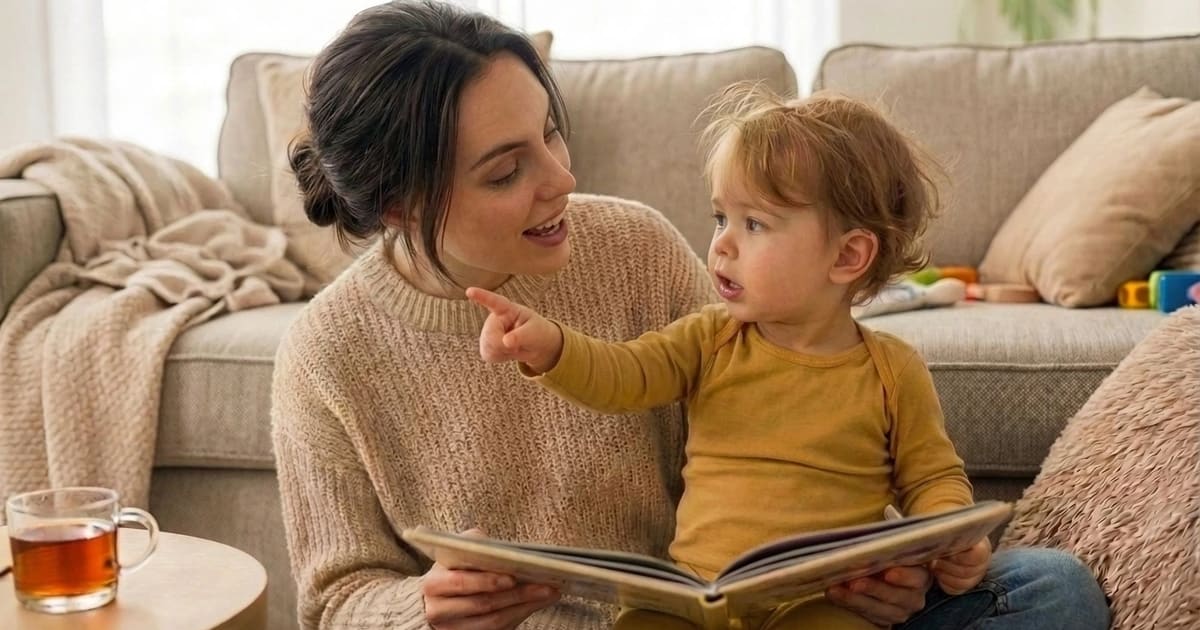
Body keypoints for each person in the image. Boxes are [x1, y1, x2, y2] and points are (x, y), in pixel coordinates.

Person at [271, 1, 1011, 628]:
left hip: (746, 607)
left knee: (1045, 585)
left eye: (551, 134)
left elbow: (785, 439)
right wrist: (423, 609)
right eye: (506, 171)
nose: (563, 178)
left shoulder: (635, 244)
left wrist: (885, 560)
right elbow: (337, 598)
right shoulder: (326, 353)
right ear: (404, 204)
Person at [467, 84, 1111, 629]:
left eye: (753, 225)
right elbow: (624, 375)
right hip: (699, 599)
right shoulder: (710, 338)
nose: (720, 246)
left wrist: (950, 539)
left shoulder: (890, 370)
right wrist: (550, 345)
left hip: (825, 607)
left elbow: (931, 479)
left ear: (846, 257)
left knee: (1055, 587)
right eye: (720, 217)